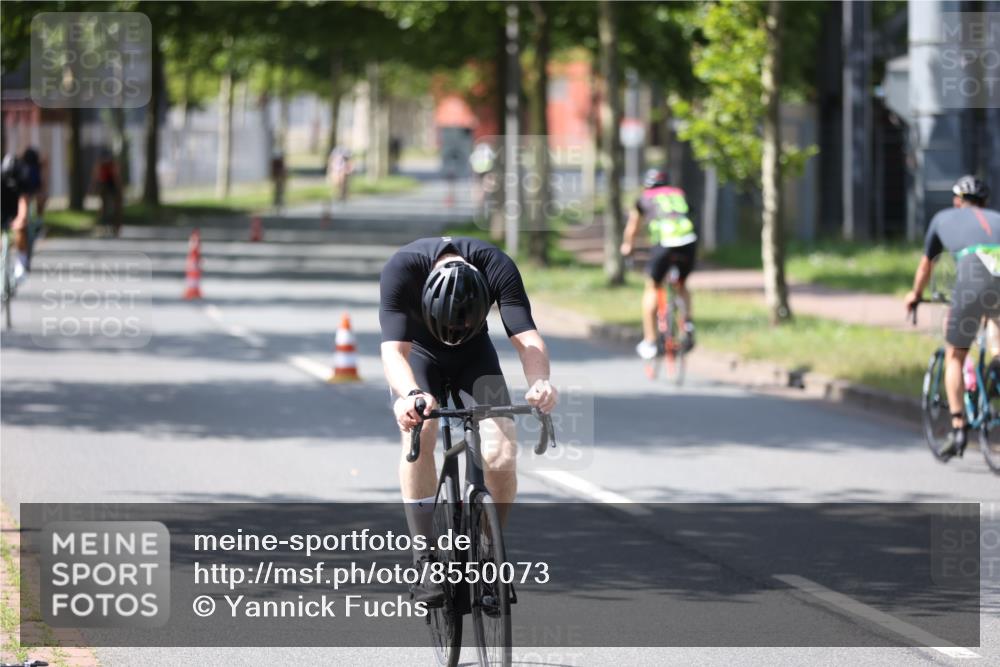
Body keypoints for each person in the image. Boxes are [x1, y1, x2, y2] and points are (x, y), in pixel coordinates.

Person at [379, 235, 558, 604]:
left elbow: (527, 338)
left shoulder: (496, 265)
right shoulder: (402, 269)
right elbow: (394, 352)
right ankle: (426, 559)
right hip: (420, 355)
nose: (455, 330)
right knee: (422, 431)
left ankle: (489, 554)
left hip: (476, 358)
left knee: (502, 453)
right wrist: (409, 397)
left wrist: (540, 383)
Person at [905, 175, 1000, 459]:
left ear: (957, 201)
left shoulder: (943, 218)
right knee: (996, 328)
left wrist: (914, 294)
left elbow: (926, 267)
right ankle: (996, 369)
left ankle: (958, 427)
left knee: (955, 356)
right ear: (985, 202)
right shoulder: (997, 217)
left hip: (974, 274)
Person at [620, 168, 698, 359]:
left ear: (647, 184)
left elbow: (632, 228)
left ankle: (650, 341)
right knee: (681, 284)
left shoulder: (644, 198)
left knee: (652, 287)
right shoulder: (678, 193)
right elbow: (690, 214)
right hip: (688, 241)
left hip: (665, 243)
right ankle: (687, 323)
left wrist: (628, 247)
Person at [90, 148, 122, 236]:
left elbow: (95, 176)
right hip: (109, 185)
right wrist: (119, 188)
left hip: (104, 184)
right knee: (115, 206)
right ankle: (115, 226)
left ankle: (103, 225)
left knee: (103, 206)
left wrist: (93, 188)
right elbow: (117, 176)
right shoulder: (111, 163)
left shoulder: (100, 163)